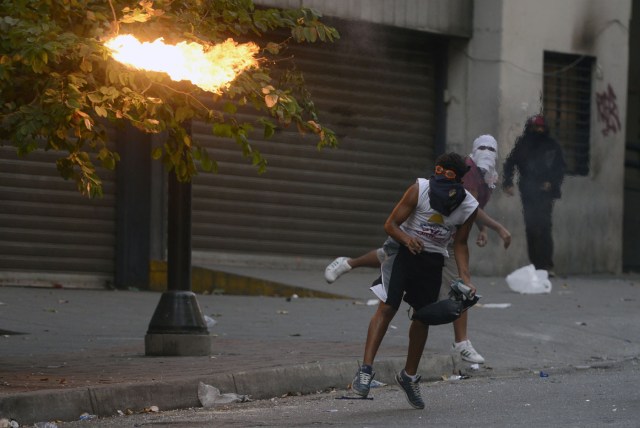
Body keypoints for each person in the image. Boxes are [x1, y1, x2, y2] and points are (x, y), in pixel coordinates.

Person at [325, 135, 511, 364]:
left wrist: (479, 235)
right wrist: (497, 228)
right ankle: (366, 368)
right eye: (482, 147)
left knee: (454, 290)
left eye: (491, 148)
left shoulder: (485, 176)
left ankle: (452, 348)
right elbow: (390, 224)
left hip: (442, 244)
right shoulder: (425, 187)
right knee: (388, 284)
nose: (486, 151)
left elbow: (471, 210)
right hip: (409, 241)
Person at [351, 152, 478, 409]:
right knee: (387, 307)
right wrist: (408, 239)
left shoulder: (468, 205)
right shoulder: (419, 189)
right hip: (403, 253)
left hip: (433, 261)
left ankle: (409, 377)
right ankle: (365, 370)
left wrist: (465, 277)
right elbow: (390, 225)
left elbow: (461, 243)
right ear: (438, 171)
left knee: (423, 317)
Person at [502, 114, 565, 276]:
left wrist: (551, 182)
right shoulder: (523, 145)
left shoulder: (552, 146)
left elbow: (560, 168)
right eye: (535, 127)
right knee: (531, 228)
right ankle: (537, 265)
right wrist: (508, 183)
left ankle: (546, 265)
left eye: (541, 127)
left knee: (544, 227)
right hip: (528, 192)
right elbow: (510, 163)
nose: (539, 130)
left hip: (546, 194)